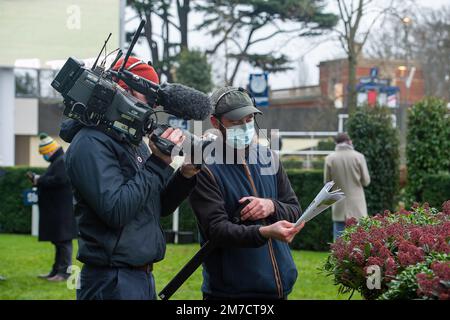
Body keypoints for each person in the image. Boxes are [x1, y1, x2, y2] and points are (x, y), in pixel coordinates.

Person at [61, 57, 200, 300]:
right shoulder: (89, 143)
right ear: (122, 91)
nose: (150, 108)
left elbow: (158, 204)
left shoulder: (131, 142)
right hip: (111, 281)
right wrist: (158, 163)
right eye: (149, 98)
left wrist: (185, 176)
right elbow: (116, 210)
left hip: (140, 278)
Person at [188, 86, 305, 300]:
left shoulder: (270, 158)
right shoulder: (203, 168)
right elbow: (217, 231)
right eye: (235, 122)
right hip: (231, 294)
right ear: (215, 123)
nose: (244, 126)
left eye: (249, 119)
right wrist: (264, 232)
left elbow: (295, 209)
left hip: (281, 290)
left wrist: (271, 206)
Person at [32, 133, 77, 282]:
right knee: (59, 242)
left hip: (62, 211)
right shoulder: (58, 161)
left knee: (63, 242)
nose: (45, 156)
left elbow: (59, 180)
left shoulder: (61, 161)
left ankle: (64, 273)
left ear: (50, 151)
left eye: (45, 153)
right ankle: (56, 271)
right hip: (58, 210)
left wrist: (39, 180)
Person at [324, 132, 370, 240]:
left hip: (339, 205)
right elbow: (366, 181)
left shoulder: (330, 159)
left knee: (338, 244)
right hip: (357, 207)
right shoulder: (359, 157)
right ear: (349, 141)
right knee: (359, 242)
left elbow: (327, 183)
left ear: (336, 143)